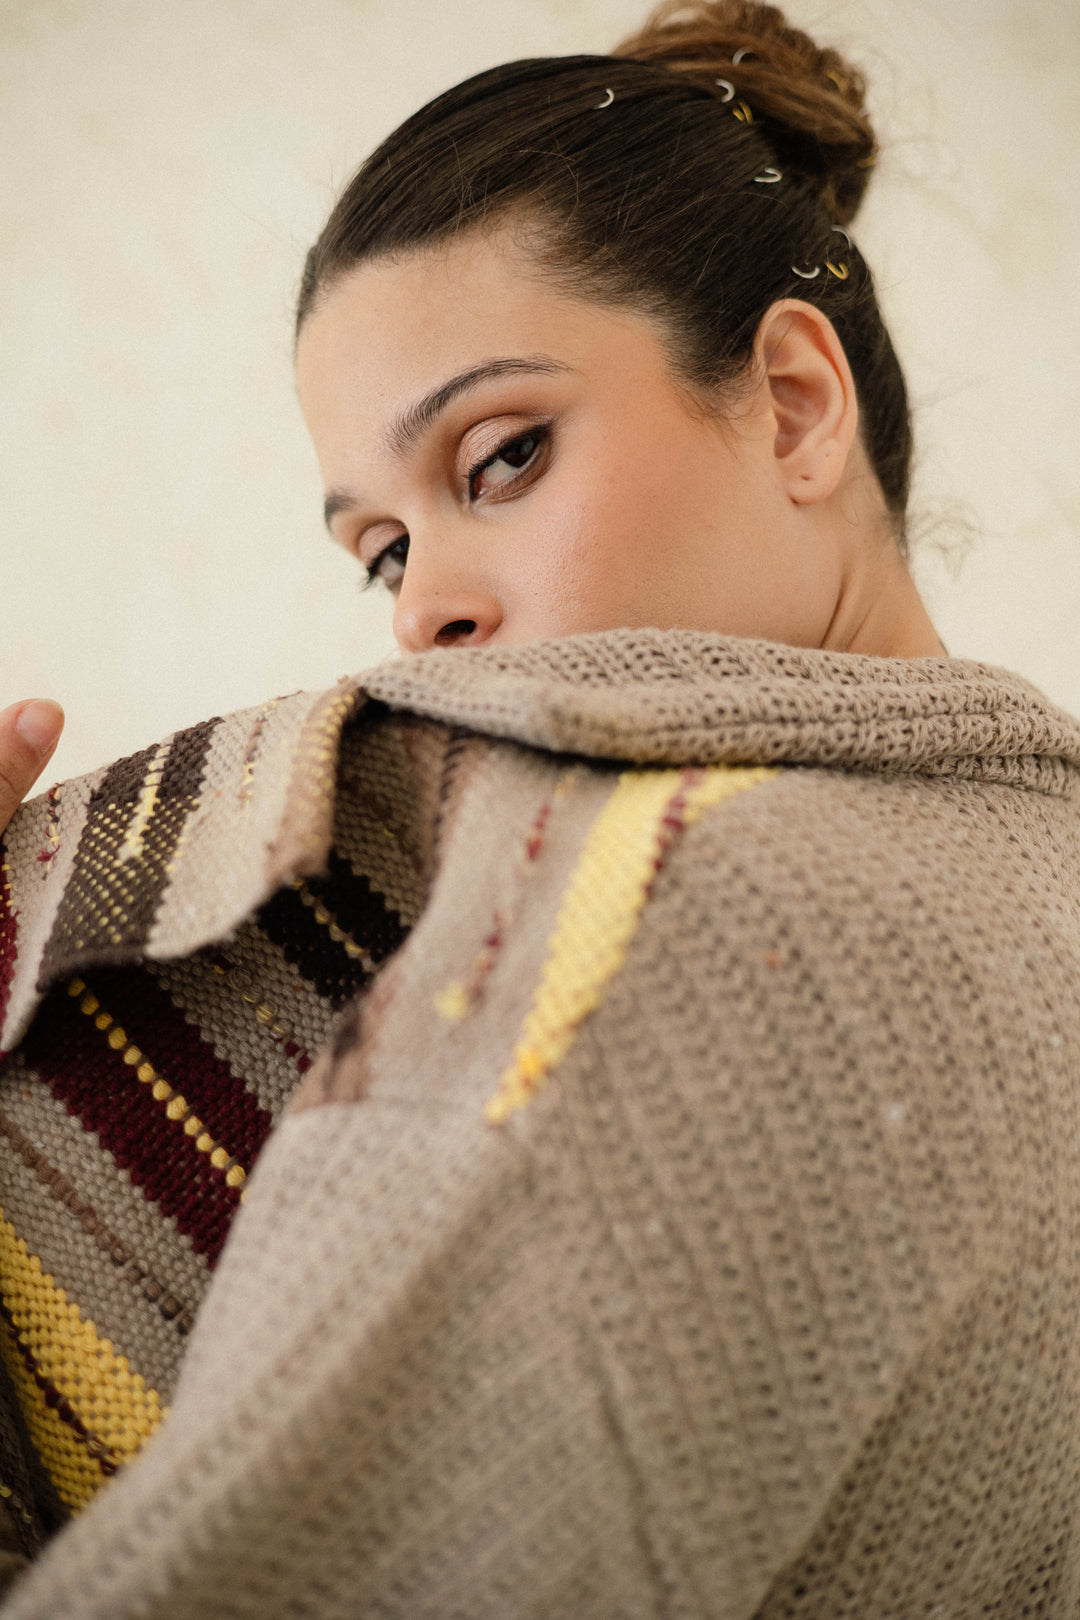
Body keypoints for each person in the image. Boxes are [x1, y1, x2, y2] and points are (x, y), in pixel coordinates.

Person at [1, 2, 1079, 1615]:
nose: (421, 609)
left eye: (499, 458)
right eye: (379, 548)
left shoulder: (684, 900)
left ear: (793, 402)